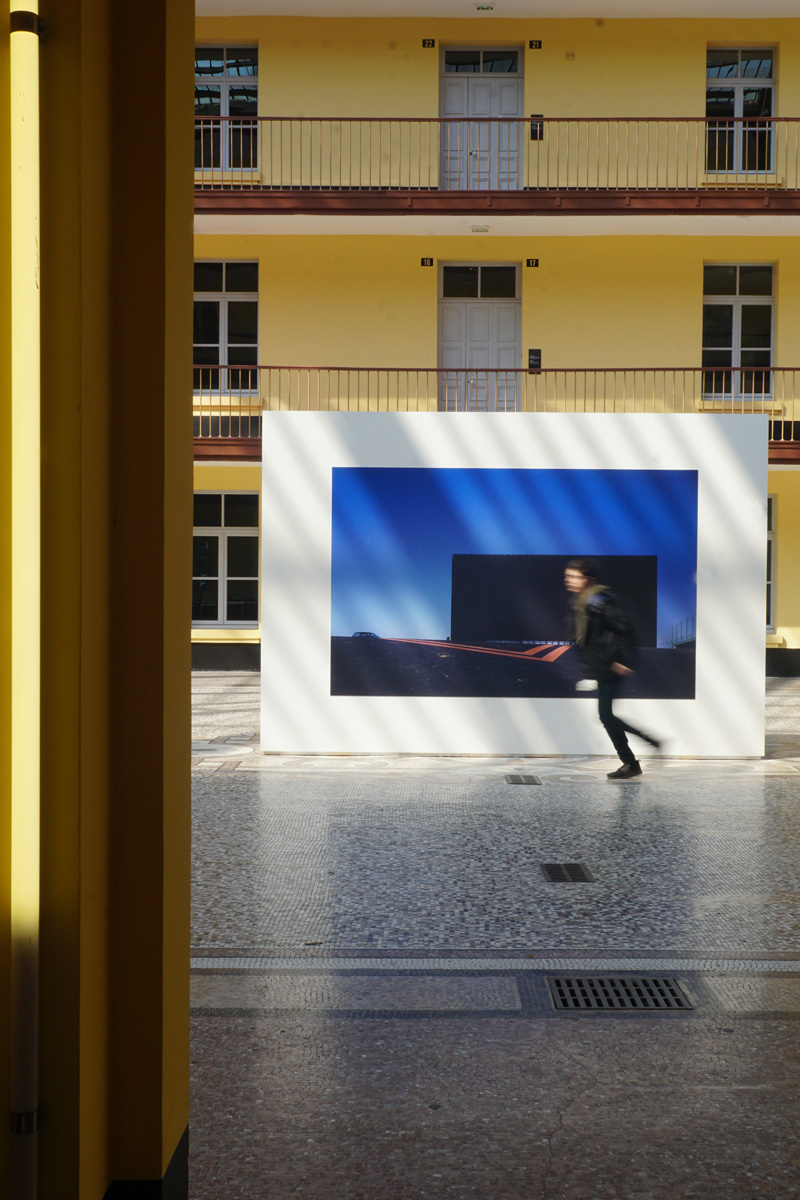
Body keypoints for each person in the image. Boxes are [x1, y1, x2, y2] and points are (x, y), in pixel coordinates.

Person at [564, 557, 661, 780]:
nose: (568, 580)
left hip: (612, 666)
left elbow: (624, 629)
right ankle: (633, 760)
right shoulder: (581, 601)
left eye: (573, 576)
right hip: (601, 666)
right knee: (606, 716)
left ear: (587, 579)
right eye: (567, 576)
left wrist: (625, 660)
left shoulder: (601, 601)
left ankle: (639, 754)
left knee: (606, 716)